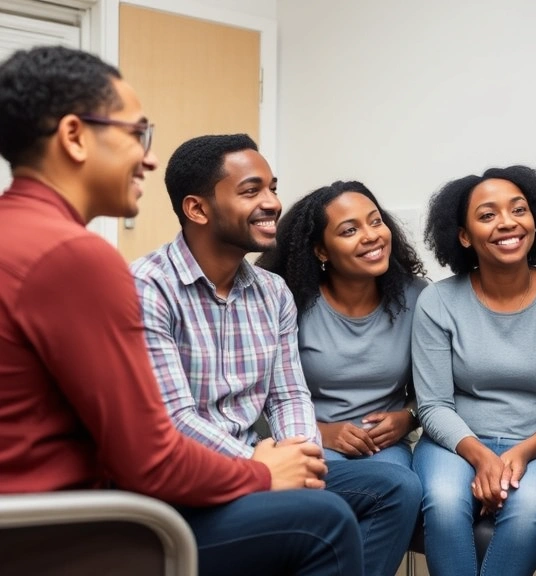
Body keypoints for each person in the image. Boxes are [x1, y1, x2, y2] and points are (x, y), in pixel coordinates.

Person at [0, 46, 361, 576]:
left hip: (34, 520)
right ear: (75, 136)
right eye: (135, 134)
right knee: (323, 522)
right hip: (61, 534)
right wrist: (262, 472)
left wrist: (286, 458)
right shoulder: (74, 257)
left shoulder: (18, 234)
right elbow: (151, 460)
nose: (147, 158)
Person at [131, 134, 418, 576]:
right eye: (252, 191)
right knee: (324, 519)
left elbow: (287, 396)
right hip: (184, 486)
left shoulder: (272, 292)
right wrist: (261, 469)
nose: (272, 203)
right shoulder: (148, 287)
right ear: (197, 209)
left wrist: (301, 459)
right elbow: (174, 418)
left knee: (395, 486)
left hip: (262, 464)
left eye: (272, 187)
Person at [412, 166, 536, 576]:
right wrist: (481, 457)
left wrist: (521, 452)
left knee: (527, 507)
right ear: (463, 235)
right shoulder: (438, 301)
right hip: (455, 445)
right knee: (443, 505)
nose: (507, 223)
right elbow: (434, 403)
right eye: (487, 215)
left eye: (519, 210)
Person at [257, 180, 427, 469]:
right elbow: (258, 394)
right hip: (308, 442)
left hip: (384, 449)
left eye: (376, 222)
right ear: (322, 251)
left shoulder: (417, 297)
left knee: (401, 487)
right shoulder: (289, 302)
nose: (371, 236)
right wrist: (323, 432)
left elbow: (436, 388)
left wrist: (407, 418)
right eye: (350, 230)